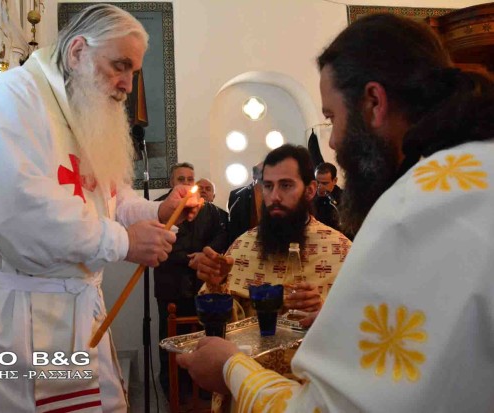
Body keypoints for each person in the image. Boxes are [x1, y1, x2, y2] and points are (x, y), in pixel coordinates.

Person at [178, 13, 494, 412]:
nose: (334, 141)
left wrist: (231, 369)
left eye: (331, 118)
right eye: (268, 186)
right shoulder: (471, 174)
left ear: (374, 102)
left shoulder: (415, 208)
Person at [0, 5, 200, 412]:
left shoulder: (79, 108)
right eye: (120, 66)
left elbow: (109, 198)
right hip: (12, 320)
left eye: (133, 72)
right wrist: (124, 242)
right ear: (77, 51)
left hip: (74, 313)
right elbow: (22, 217)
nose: (128, 85)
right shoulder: (9, 100)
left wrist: (157, 212)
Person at [197, 145, 351, 321]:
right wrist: (216, 286)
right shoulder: (243, 246)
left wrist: (323, 313)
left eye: (286, 185)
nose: (274, 196)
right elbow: (226, 325)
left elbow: (362, 321)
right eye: (268, 186)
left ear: (310, 190)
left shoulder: (340, 250)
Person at [153, 164, 229, 398]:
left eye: (190, 179)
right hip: (170, 287)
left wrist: (205, 254)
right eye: (181, 179)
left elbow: (222, 236)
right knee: (171, 341)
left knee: (200, 340)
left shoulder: (209, 210)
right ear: (171, 182)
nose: (186, 182)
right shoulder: (158, 208)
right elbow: (160, 242)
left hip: (200, 287)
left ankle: (202, 392)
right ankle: (174, 392)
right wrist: (191, 259)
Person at [227, 161, 263, 244]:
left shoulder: (278, 193)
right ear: (254, 176)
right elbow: (234, 227)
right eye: (263, 172)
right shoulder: (238, 196)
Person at [312, 162, 343, 232]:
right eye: (317, 182)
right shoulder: (311, 195)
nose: (319, 187)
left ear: (335, 181)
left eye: (324, 183)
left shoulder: (343, 199)